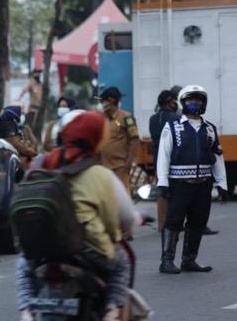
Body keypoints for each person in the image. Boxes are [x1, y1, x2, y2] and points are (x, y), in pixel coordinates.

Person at [13, 112, 139, 321]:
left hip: (44, 245)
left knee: (23, 265)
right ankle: (112, 312)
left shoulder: (42, 162)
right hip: (86, 248)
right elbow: (123, 218)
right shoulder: (102, 174)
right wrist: (126, 227)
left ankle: (27, 313)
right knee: (122, 263)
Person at [156, 85, 228, 274]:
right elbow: (163, 155)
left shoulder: (210, 129)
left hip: (204, 185)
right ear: (183, 102)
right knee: (173, 221)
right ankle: (167, 261)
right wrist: (162, 182)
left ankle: (189, 260)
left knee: (198, 222)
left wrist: (222, 183)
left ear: (204, 103)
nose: (194, 103)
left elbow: (217, 157)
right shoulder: (172, 126)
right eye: (190, 100)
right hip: (179, 184)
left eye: (198, 99)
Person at [149, 90, 180, 231]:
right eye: (174, 100)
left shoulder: (153, 119)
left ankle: (163, 224)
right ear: (169, 101)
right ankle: (175, 224)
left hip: (158, 160)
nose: (176, 103)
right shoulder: (175, 118)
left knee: (162, 193)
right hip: (174, 160)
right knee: (177, 193)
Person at [98, 87, 139, 193]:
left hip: (120, 167)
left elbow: (134, 140)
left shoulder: (126, 117)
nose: (101, 104)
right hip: (104, 167)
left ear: (111, 101)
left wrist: (129, 162)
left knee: (122, 197)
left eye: (103, 101)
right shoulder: (102, 118)